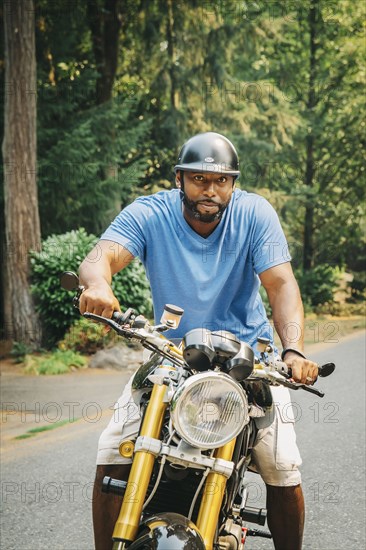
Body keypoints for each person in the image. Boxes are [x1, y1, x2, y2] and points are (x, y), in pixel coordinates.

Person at [79, 132, 318, 550]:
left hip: (250, 359)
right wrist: (97, 285)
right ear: (179, 180)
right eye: (199, 179)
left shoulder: (254, 214)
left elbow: (281, 286)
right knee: (112, 451)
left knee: (281, 465)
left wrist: (293, 350)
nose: (211, 190)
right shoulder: (150, 213)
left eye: (221, 181)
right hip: (171, 355)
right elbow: (102, 256)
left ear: (233, 184)